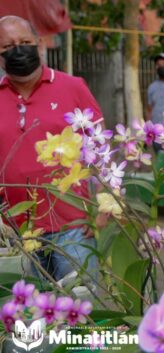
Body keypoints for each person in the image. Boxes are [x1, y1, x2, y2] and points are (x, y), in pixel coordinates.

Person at [0, 16, 101, 281]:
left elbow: (99, 146)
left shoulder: (73, 87)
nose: (18, 50)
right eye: (8, 46)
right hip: (17, 230)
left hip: (74, 225)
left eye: (24, 42)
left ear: (39, 44)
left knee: (79, 311)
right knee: (29, 314)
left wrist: (104, 205)